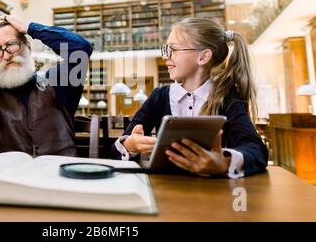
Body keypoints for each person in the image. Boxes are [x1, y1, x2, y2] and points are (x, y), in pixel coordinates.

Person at [111, 18, 268, 178]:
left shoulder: (227, 97)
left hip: (213, 195)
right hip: (165, 191)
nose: (165, 57)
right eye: (165, 49)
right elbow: (116, 150)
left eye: (173, 49)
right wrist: (130, 145)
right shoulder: (159, 97)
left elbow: (257, 150)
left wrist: (223, 163)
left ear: (203, 57)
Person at [0, 15, 92, 156]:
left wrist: (30, 28)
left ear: (28, 47)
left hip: (59, 178)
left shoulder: (58, 85)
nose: (6, 56)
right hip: (9, 179)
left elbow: (81, 49)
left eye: (11, 45)